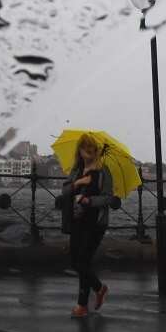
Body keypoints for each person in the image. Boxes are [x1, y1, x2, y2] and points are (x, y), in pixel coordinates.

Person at [60, 133, 117, 318]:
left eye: (92, 149)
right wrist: (78, 183)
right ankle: (99, 289)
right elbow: (65, 190)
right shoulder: (77, 169)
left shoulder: (103, 171)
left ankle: (82, 304)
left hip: (95, 224)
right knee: (75, 261)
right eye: (86, 149)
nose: (89, 153)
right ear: (80, 151)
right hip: (77, 221)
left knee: (83, 261)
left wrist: (87, 200)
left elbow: (109, 198)